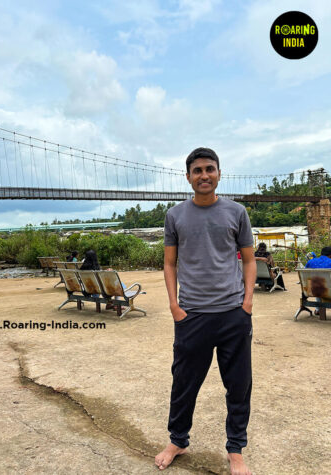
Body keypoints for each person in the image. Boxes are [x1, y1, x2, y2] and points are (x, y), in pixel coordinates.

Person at [155, 147, 255, 475]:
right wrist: (174, 305)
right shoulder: (175, 216)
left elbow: (249, 259)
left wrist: (247, 304)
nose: (204, 175)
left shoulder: (237, 212)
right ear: (188, 177)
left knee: (238, 385)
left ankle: (235, 449)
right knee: (183, 382)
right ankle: (178, 440)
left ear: (219, 173)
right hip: (192, 314)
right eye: (197, 170)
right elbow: (169, 263)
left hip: (232, 313)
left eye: (209, 169)